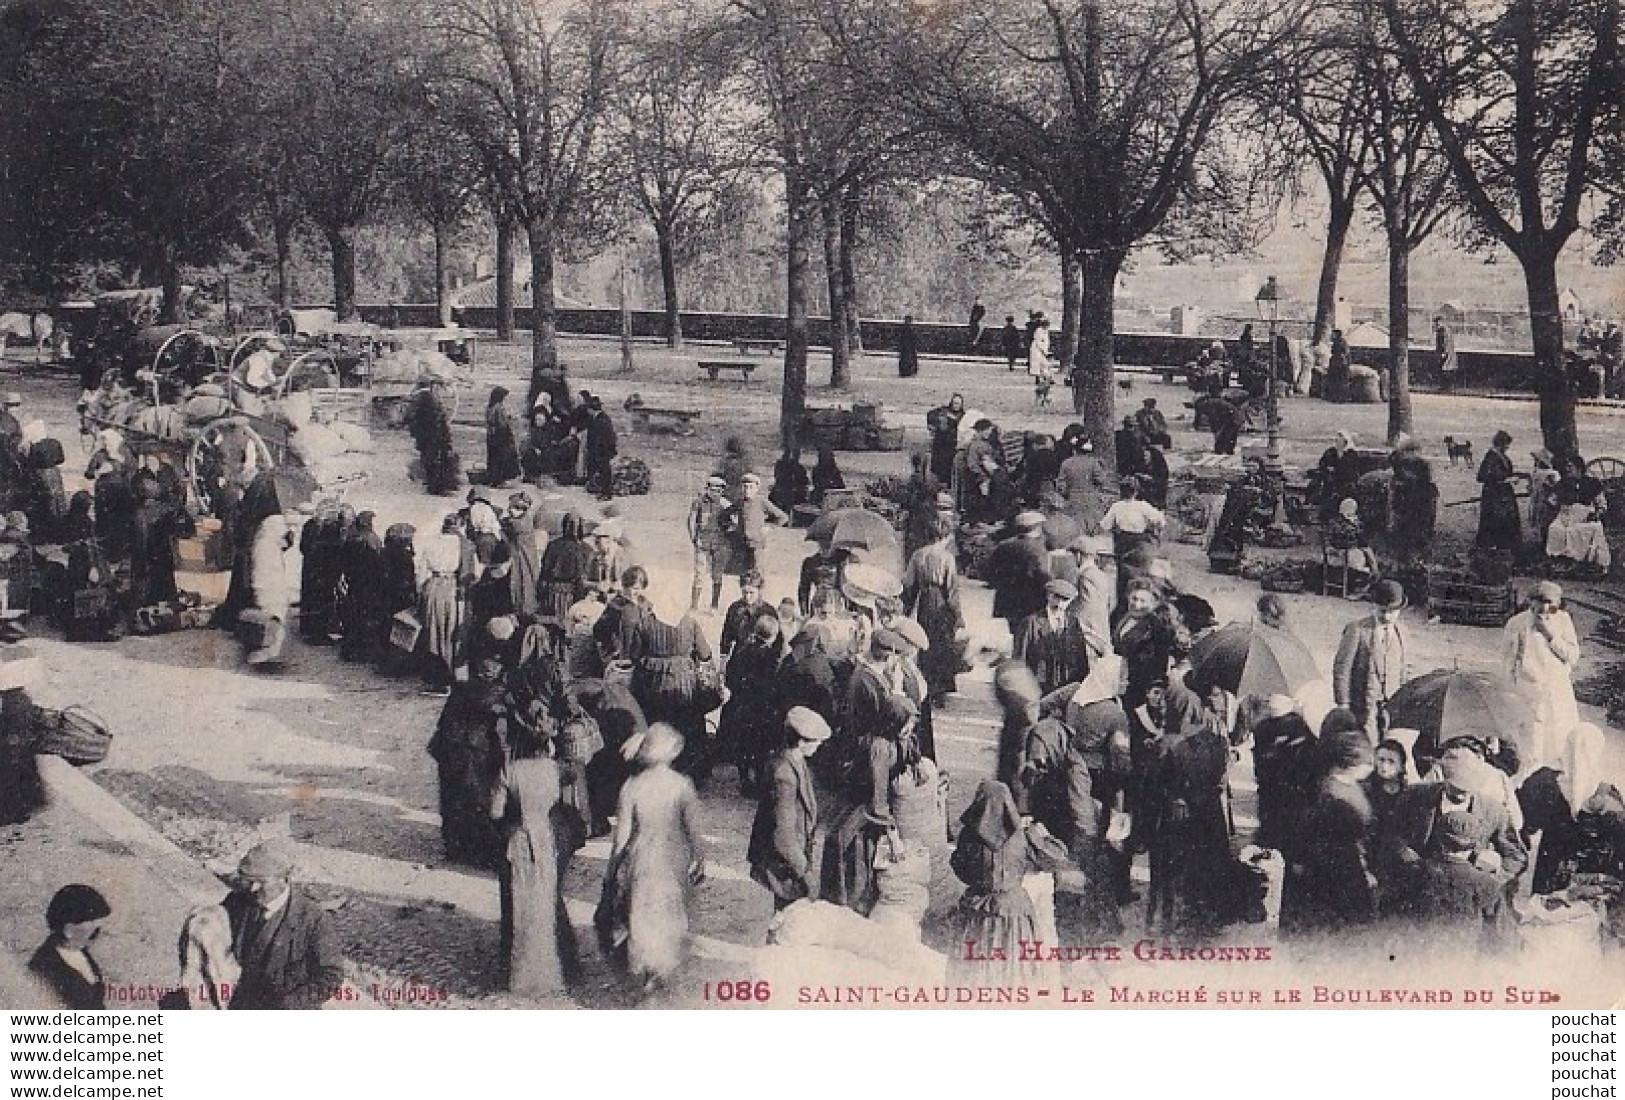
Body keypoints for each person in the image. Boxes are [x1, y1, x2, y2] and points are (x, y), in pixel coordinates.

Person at [599, 724, 706, 994]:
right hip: (673, 857)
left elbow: (621, 836)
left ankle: (646, 968)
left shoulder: (632, 787)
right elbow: (694, 830)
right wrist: (699, 857)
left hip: (642, 855)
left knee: (642, 910)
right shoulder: (682, 785)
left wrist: (612, 870)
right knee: (669, 910)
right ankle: (663, 967)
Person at [488, 719, 580, 998]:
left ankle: (516, 969)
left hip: (519, 839)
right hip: (546, 838)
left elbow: (495, 812)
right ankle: (557, 965)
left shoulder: (510, 770)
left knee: (518, 901)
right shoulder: (556, 770)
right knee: (547, 899)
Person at [948, 779, 1072, 983]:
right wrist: (1042, 834)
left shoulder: (968, 837)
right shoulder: (1023, 836)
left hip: (979, 908)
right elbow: (1056, 858)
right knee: (1014, 966)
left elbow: (960, 869)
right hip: (1014, 909)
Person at [222, 840, 345, 1009]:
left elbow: (331, 975)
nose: (252, 889)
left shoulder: (314, 919)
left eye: (261, 882)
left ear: (283, 879)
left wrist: (291, 1004)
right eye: (249, 881)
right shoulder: (236, 902)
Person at [1279, 728, 1377, 936]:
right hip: (1340, 867)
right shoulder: (1333, 793)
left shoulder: (1345, 785)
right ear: (1351, 764)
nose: (1371, 767)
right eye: (1368, 763)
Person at [747, 707, 830, 911]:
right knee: (788, 920)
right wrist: (805, 873)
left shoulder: (797, 762)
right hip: (787, 863)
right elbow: (783, 836)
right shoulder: (784, 774)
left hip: (795, 856)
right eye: (816, 741)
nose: (819, 745)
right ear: (801, 742)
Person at [1504, 581, 1579, 775]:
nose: (1545, 608)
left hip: (1557, 689)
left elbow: (1572, 655)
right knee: (1531, 742)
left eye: (1551, 604)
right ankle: (1529, 780)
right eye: (1541, 602)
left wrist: (1550, 635)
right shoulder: (1517, 624)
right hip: (1529, 689)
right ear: (1530, 601)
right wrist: (1510, 691)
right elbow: (1508, 662)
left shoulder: (1563, 621)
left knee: (1559, 737)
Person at [717, 611, 785, 795]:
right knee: (761, 747)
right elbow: (775, 684)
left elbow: (730, 676)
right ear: (774, 636)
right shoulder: (772, 658)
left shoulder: (742, 651)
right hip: (762, 710)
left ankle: (745, 780)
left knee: (743, 745)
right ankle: (760, 780)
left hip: (742, 706)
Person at [1332, 580, 1409, 741]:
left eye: (1392, 612)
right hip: (1363, 703)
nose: (1387, 616)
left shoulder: (1402, 632)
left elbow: (1403, 668)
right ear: (1373, 606)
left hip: (1390, 703)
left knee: (1388, 742)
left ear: (1400, 610)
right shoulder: (1358, 630)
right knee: (1366, 741)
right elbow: (1342, 668)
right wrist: (1343, 704)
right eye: (1382, 611)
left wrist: (1402, 698)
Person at [902, 512, 964, 705]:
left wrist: (906, 610)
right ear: (945, 536)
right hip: (941, 603)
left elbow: (909, 584)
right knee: (942, 646)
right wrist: (958, 615)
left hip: (924, 602)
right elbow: (952, 589)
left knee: (925, 644)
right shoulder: (947, 558)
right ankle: (940, 691)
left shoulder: (918, 555)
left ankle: (925, 687)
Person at [28, 885, 111, 1009]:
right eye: (93, 927)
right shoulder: (44, 966)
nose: (97, 933)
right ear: (69, 930)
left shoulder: (80, 953)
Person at [1013, 579, 1088, 696]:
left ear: (1071, 601)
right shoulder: (1031, 623)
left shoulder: (1073, 623)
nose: (1059, 603)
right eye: (1056, 597)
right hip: (1037, 689)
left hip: (1065, 688)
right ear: (1048, 596)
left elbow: (1081, 660)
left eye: (1065, 599)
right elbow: (1019, 661)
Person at [984, 511, 1051, 630]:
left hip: (1009, 597)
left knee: (1015, 631)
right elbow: (1043, 575)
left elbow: (990, 572)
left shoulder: (1004, 545)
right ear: (1036, 528)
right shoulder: (1037, 549)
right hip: (1032, 599)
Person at [723, 472, 788, 579]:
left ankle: (759, 594)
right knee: (743, 575)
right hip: (742, 544)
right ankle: (745, 594)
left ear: (756, 488)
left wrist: (769, 527)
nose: (747, 490)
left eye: (750, 487)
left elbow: (783, 517)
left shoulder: (762, 502)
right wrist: (731, 527)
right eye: (745, 487)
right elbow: (724, 516)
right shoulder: (739, 502)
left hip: (757, 544)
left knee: (757, 574)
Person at [686, 475, 732, 613]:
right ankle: (694, 606)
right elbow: (691, 520)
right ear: (707, 489)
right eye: (712, 490)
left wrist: (729, 534)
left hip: (719, 544)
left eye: (718, 490)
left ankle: (714, 606)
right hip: (703, 542)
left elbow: (734, 523)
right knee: (699, 574)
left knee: (717, 575)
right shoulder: (699, 502)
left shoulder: (726, 505)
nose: (715, 493)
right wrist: (693, 537)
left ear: (722, 491)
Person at [407, 381, 461, 495]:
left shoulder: (418, 400)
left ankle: (433, 486)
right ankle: (436, 488)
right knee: (436, 462)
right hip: (434, 438)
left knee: (429, 461)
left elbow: (411, 419)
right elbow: (438, 422)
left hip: (425, 438)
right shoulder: (430, 399)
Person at [1475, 430, 1522, 553]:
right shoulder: (1491, 457)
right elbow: (1483, 476)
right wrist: (1506, 480)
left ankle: (1505, 544)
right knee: (1495, 519)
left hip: (1504, 494)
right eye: (1506, 444)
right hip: (1494, 495)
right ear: (1501, 443)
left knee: (1507, 518)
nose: (1507, 447)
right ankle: (1492, 545)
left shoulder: (1502, 456)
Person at [1100, 478, 1165, 562]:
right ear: (1136, 492)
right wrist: (1158, 529)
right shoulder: (1142, 506)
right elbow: (1159, 519)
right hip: (1139, 543)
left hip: (1122, 543)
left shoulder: (1116, 506)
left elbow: (1105, 525)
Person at [1057, 435, 1111, 532]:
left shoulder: (1066, 463)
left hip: (1073, 497)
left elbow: (1060, 484)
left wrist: (1066, 494)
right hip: (1090, 497)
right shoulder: (1093, 463)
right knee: (1091, 525)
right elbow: (1101, 480)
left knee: (1076, 525)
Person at [1314, 430, 1362, 519]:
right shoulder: (1330, 452)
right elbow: (1323, 465)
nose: (1337, 442)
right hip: (1329, 482)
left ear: (1345, 442)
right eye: (1336, 440)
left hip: (1345, 484)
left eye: (1339, 440)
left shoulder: (1351, 454)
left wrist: (1335, 469)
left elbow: (1349, 471)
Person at [926, 395, 966, 486]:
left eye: (958, 404)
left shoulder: (963, 416)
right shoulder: (943, 411)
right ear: (951, 402)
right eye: (955, 403)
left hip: (952, 445)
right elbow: (930, 415)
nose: (956, 405)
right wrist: (933, 426)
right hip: (940, 444)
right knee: (938, 467)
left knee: (949, 467)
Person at [484, 386, 521, 487]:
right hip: (500, 436)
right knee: (502, 457)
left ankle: (493, 479)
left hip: (491, 436)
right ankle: (500, 480)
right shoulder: (498, 407)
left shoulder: (489, 407)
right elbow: (502, 423)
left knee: (493, 458)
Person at [583, 397, 617, 501]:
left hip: (602, 450)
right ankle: (602, 491)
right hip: (602, 450)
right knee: (603, 471)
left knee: (604, 472)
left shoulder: (600, 421)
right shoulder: (602, 418)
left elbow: (601, 439)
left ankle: (606, 492)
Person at [1434, 316, 1458, 390]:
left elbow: (1445, 342)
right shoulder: (1447, 329)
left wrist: (1444, 352)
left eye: (1436, 323)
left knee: (1444, 369)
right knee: (1446, 369)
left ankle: (1446, 386)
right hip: (1449, 352)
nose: (1435, 325)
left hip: (1445, 352)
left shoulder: (1442, 330)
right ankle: (1447, 386)